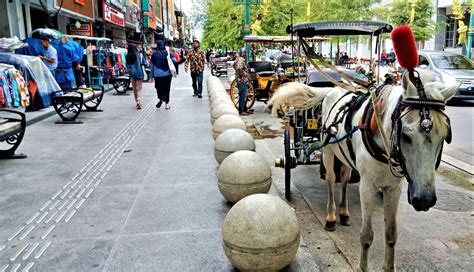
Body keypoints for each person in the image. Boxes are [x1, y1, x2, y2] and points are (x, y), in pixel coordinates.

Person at [150, 40, 176, 110]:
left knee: (158, 88)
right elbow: (174, 60)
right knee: (167, 88)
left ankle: (161, 98)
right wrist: (168, 59)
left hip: (158, 75)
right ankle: (167, 104)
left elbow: (152, 66)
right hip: (167, 74)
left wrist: (151, 76)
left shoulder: (154, 54)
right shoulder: (168, 52)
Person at [233, 48, 251, 116]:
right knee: (243, 95)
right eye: (245, 52)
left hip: (241, 80)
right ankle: (241, 110)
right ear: (242, 53)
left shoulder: (238, 59)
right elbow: (239, 68)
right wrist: (245, 74)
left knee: (244, 95)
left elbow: (235, 66)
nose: (246, 54)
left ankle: (245, 109)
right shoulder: (241, 59)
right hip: (242, 80)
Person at [126, 45, 144, 110]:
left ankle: (136, 102)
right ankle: (139, 100)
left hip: (132, 74)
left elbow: (127, 66)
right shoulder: (138, 54)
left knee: (134, 89)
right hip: (139, 73)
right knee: (139, 88)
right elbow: (143, 62)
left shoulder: (127, 56)